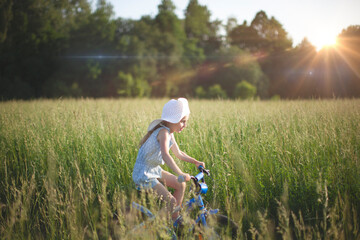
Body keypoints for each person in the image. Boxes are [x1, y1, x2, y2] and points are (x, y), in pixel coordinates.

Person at [132, 98, 205, 224]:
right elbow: (166, 155)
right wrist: (180, 173)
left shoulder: (170, 133)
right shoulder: (163, 133)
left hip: (153, 169)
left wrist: (195, 161)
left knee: (181, 185)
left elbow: (179, 153)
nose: (185, 125)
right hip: (144, 173)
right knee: (171, 201)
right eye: (182, 121)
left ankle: (174, 219)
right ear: (173, 120)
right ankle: (156, 227)